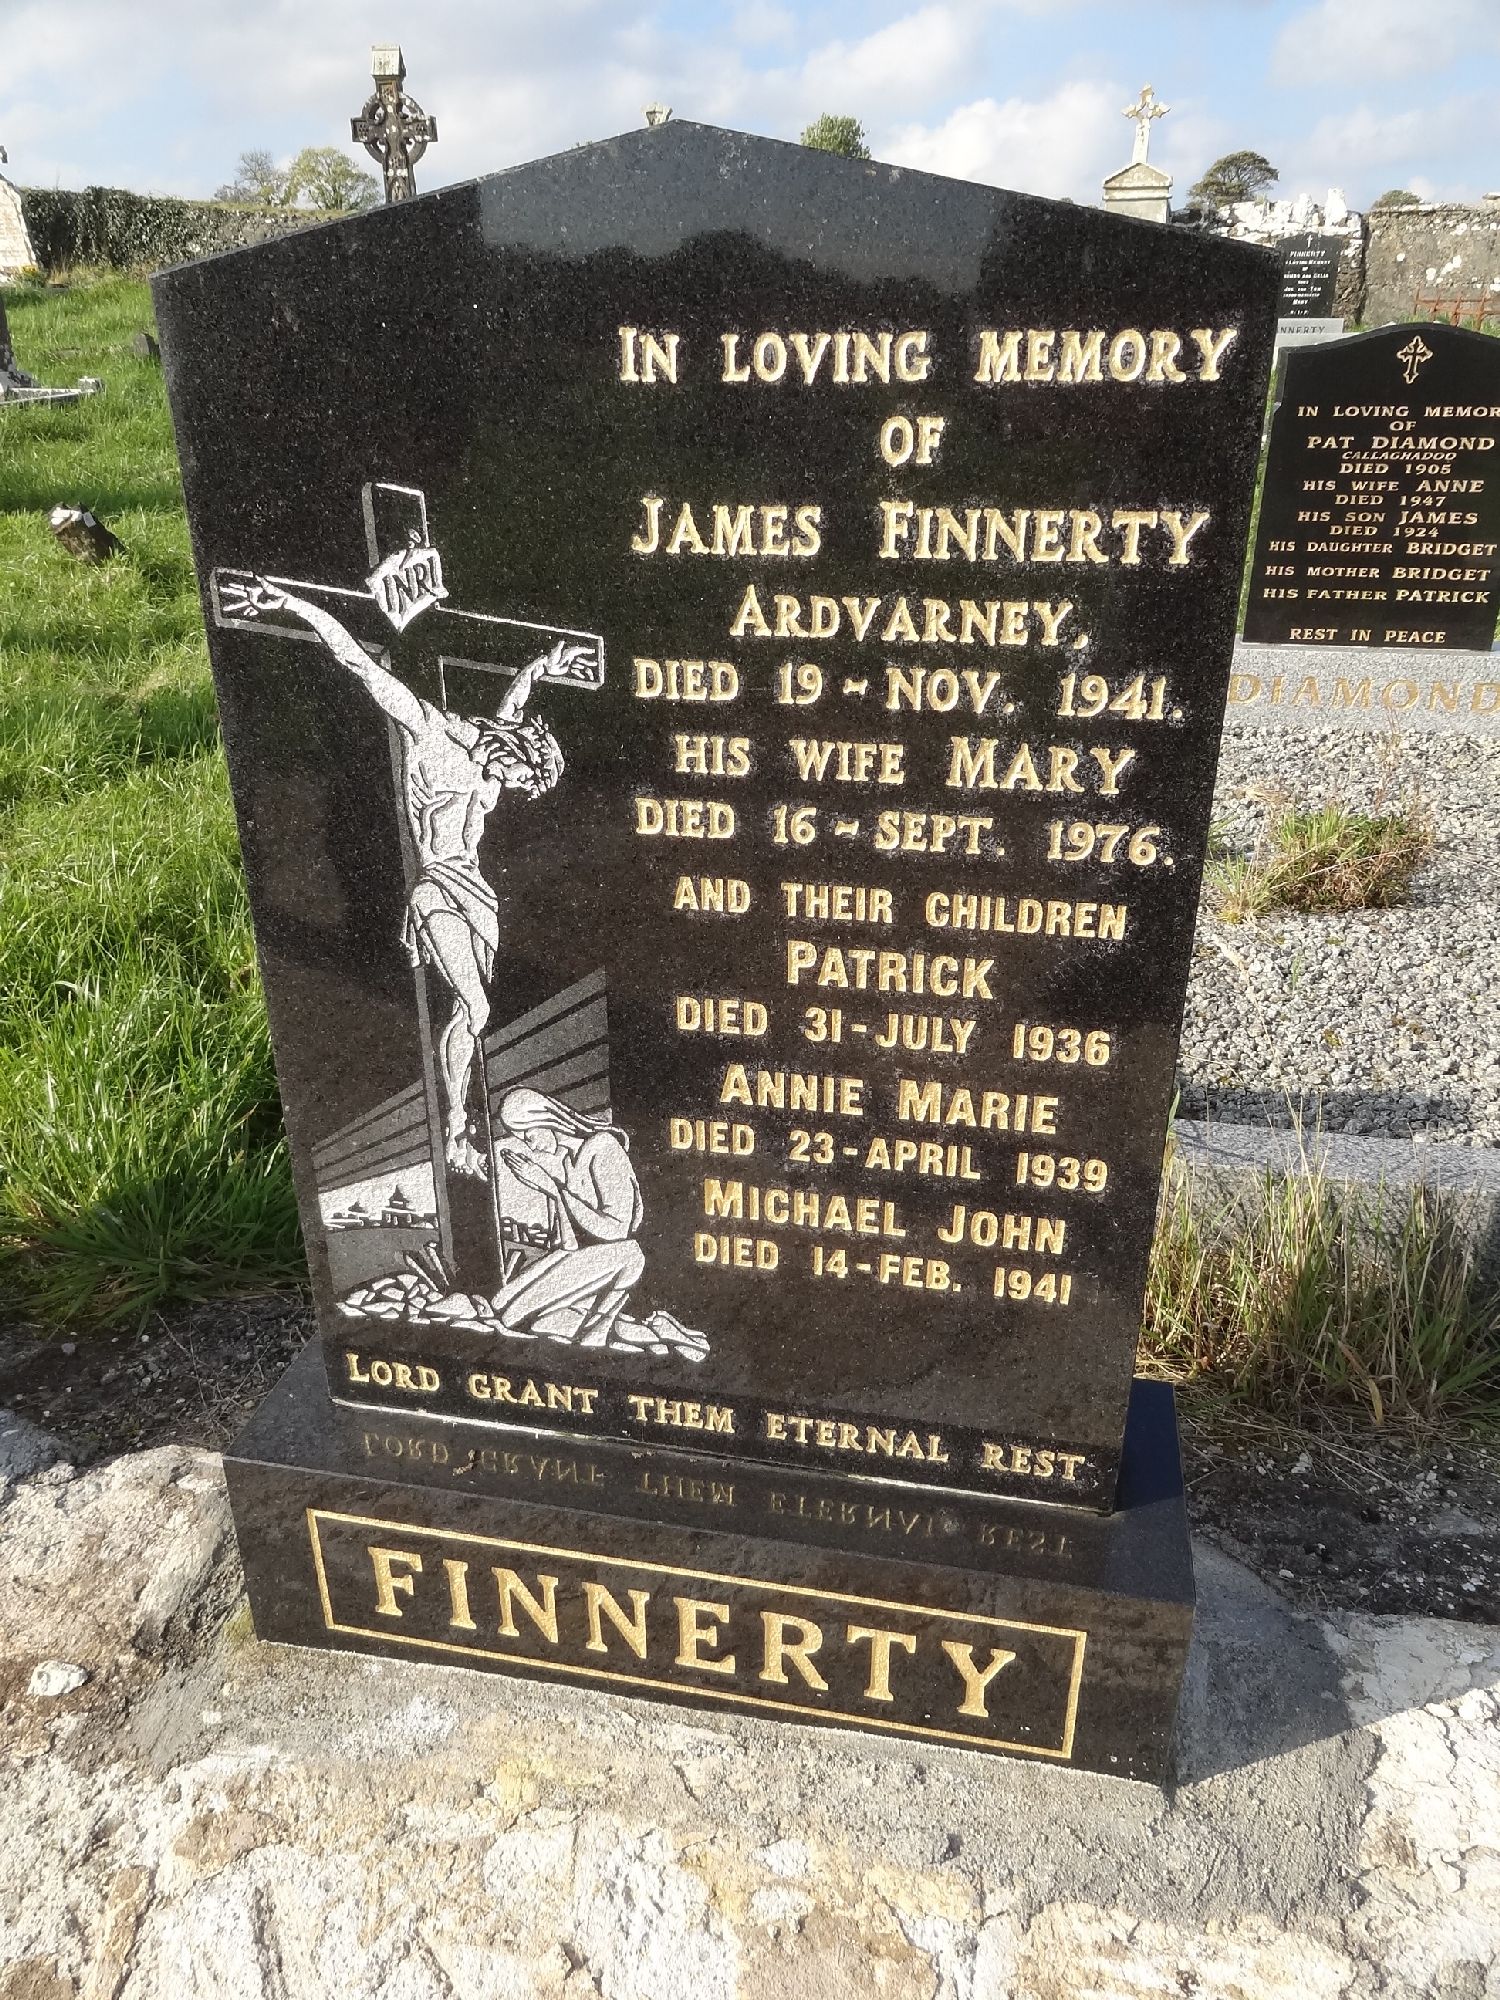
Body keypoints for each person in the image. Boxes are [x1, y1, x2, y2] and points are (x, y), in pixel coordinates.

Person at [220, 574, 587, 1178]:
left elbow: (514, 701)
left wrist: (543, 665)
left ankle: (460, 1130)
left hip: (477, 894)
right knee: (475, 1008)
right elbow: (358, 663)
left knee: (469, 1012)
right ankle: (456, 1129)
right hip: (438, 888)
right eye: (524, 778)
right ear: (515, 751)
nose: (516, 789)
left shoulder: (490, 753)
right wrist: (288, 602)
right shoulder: (429, 730)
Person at [491, 1087, 644, 1345]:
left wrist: (553, 1188)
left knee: (511, 1317)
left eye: (528, 1135)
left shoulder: (604, 1146)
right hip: (583, 1255)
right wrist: (551, 1191)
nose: (531, 1146)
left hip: (620, 1255)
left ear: (545, 1119)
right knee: (499, 1303)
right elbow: (569, 1244)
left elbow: (617, 1231)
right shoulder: (566, 1161)